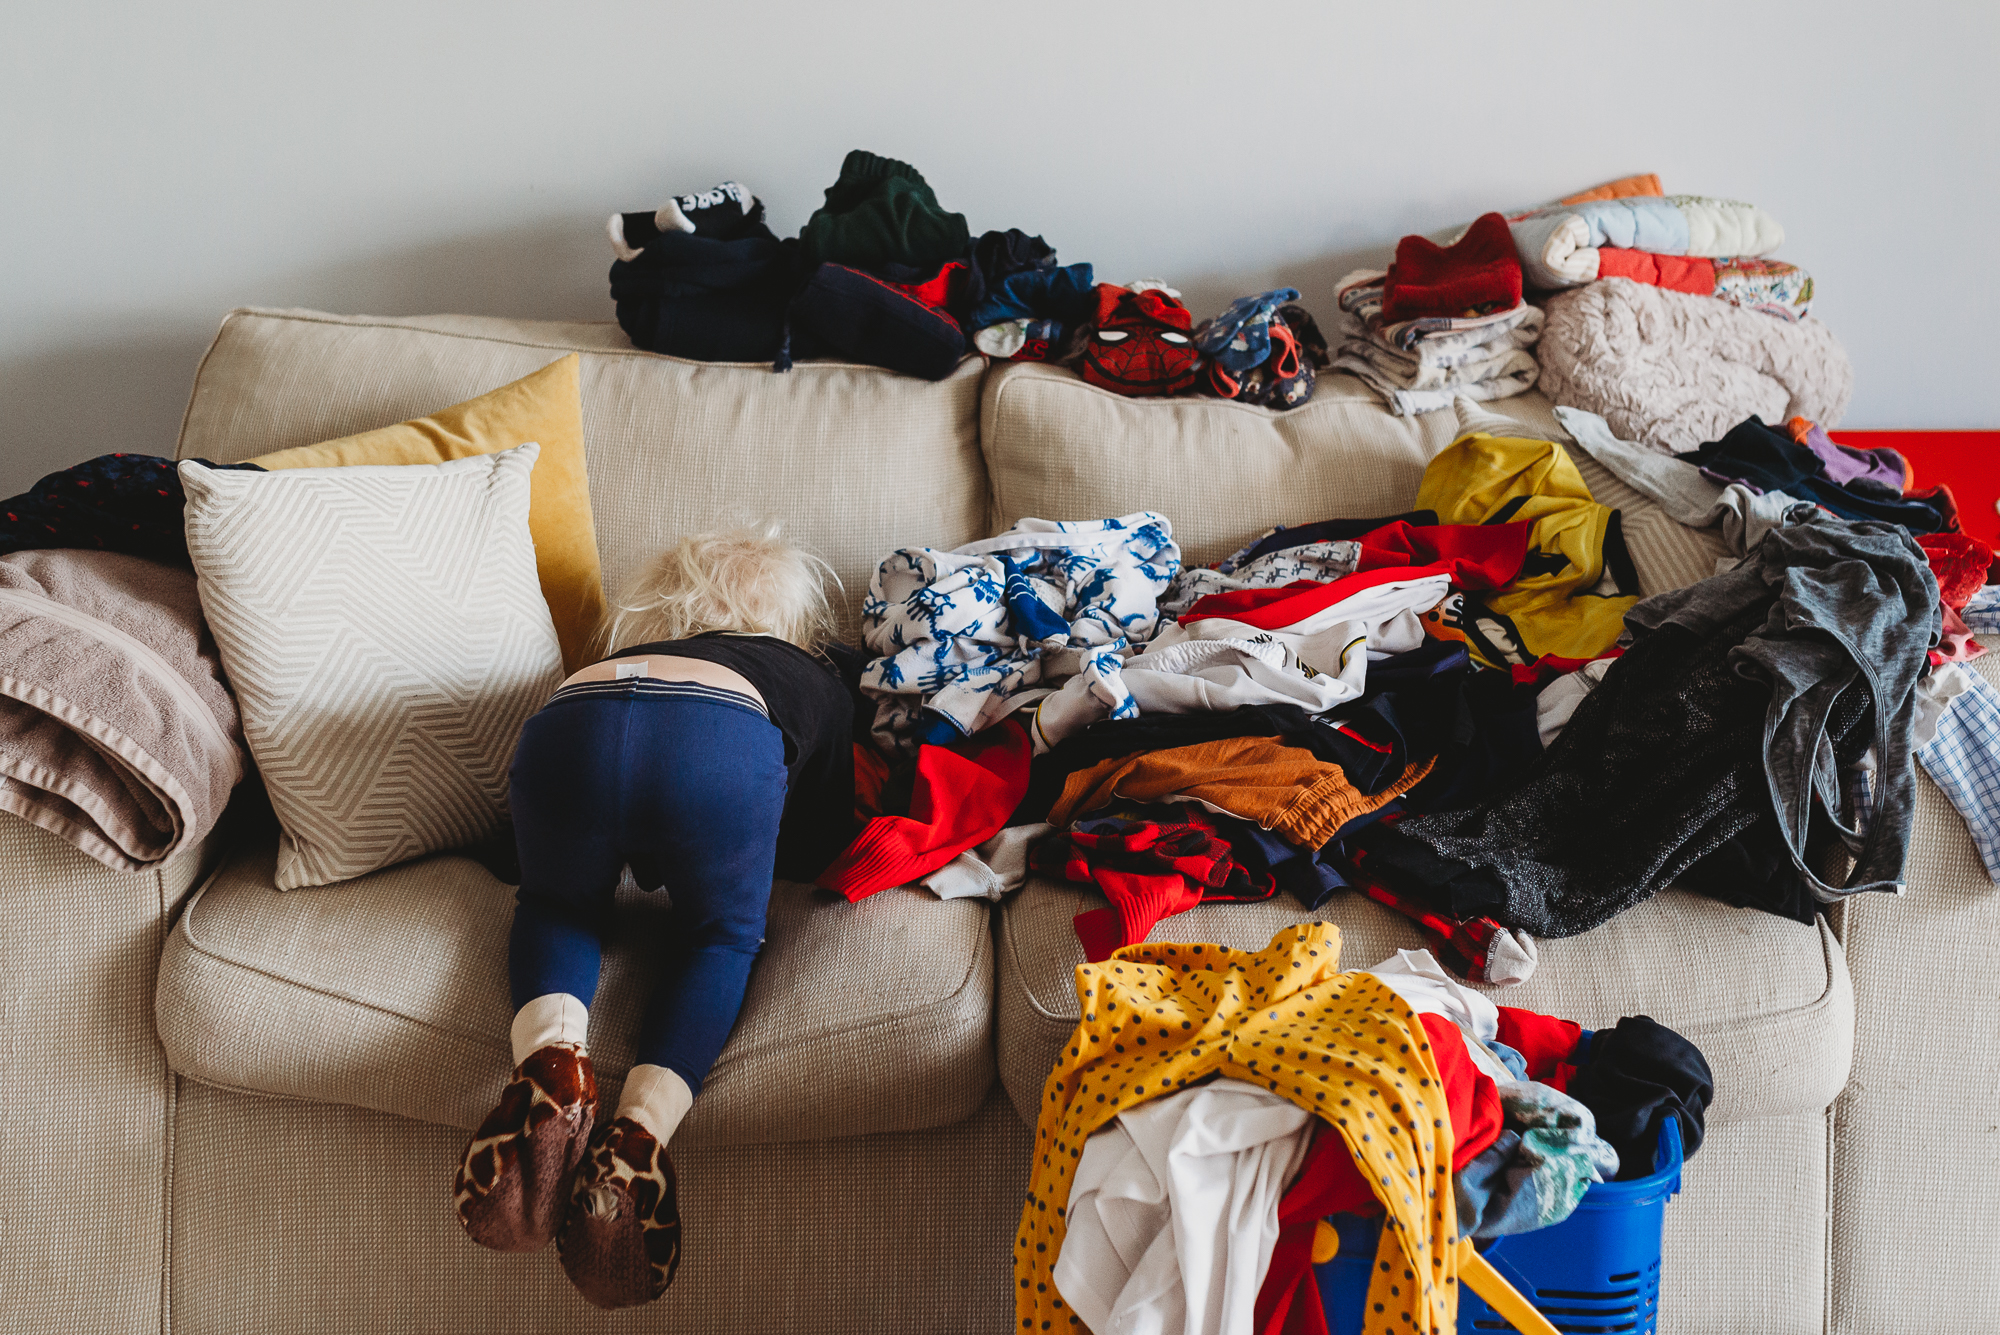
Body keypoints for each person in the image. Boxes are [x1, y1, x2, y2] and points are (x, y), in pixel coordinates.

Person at [452, 523, 855, 1309]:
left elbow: (533, 850)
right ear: (787, 622)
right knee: (720, 937)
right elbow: (816, 840)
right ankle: (638, 1132)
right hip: (722, 734)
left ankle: (553, 1061)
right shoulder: (802, 671)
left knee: (557, 901)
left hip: (569, 721)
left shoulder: (610, 658)